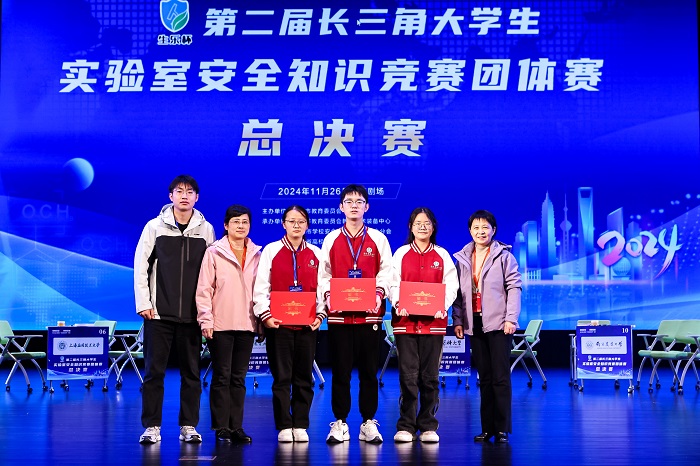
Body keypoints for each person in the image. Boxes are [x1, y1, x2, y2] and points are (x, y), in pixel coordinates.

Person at [134, 174, 216, 445]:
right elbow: (141, 266)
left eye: (189, 192)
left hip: (192, 316)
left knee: (191, 373)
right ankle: (152, 427)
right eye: (179, 191)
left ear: (197, 198)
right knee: (153, 373)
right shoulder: (154, 227)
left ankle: (188, 425)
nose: (184, 196)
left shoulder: (206, 230)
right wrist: (144, 303)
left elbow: (210, 273)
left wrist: (206, 311)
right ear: (170, 196)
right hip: (158, 314)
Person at [317, 184, 393, 444]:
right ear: (341, 207)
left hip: (369, 316)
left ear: (366, 207)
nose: (353, 205)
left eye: (359, 201)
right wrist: (329, 296)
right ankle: (340, 422)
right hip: (339, 317)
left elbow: (386, 272)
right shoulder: (331, 239)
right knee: (340, 372)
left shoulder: (378, 239)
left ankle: (368, 422)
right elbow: (324, 274)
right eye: (348, 201)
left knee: (369, 372)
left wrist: (377, 294)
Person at [253, 205, 324, 443]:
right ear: (283, 224)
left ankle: (301, 424)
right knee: (282, 377)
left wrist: (320, 315)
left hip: (307, 325)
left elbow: (323, 288)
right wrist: (265, 315)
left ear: (307, 225)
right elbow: (261, 287)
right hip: (278, 325)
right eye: (292, 221)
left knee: (304, 376)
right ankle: (284, 424)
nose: (296, 225)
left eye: (301, 221)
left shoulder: (316, 253)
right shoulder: (271, 251)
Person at [388, 207, 459, 444]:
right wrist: (398, 302)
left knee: (430, 376)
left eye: (427, 223)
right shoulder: (401, 254)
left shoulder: (442, 255)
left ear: (433, 227)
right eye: (418, 223)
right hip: (405, 323)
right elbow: (392, 283)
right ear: (410, 227)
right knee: (408, 376)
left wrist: (442, 305)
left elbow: (451, 285)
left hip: (433, 324)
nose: (422, 227)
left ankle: (428, 425)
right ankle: (406, 426)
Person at [452, 210, 522, 444]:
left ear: (494, 230)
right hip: (475, 323)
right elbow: (458, 295)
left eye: (485, 227)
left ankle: (501, 429)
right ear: (470, 231)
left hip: (500, 323)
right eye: (476, 228)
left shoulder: (504, 256)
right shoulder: (463, 258)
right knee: (484, 377)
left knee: (500, 377)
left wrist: (511, 318)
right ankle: (487, 428)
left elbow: (514, 288)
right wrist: (458, 320)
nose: (480, 232)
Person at [196, 204, 262, 444]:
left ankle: (237, 426)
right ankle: (221, 426)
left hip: (247, 324)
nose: (241, 226)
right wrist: (206, 319)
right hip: (220, 324)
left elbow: (261, 291)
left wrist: (260, 323)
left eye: (245, 222)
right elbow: (204, 289)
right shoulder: (214, 252)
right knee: (222, 376)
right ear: (226, 225)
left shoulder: (257, 254)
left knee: (239, 378)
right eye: (236, 222)